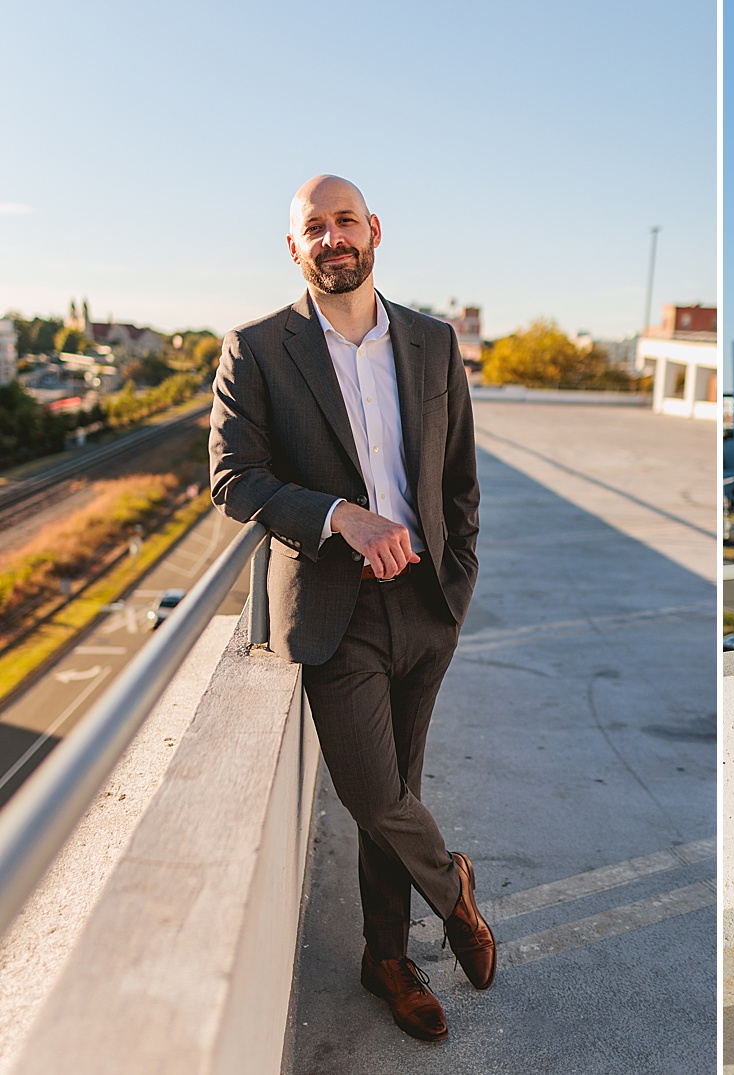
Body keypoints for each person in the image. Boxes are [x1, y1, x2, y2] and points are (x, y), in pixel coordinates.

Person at [209, 175, 493, 1042]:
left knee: (395, 791)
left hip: (426, 602)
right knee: (374, 791)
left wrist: (457, 584)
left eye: (344, 222)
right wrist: (342, 515)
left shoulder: (434, 343)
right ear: (294, 249)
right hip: (335, 608)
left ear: (373, 231)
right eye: (313, 228)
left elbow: (458, 481)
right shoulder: (255, 349)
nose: (332, 239)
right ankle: (453, 889)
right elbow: (232, 478)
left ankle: (386, 959)